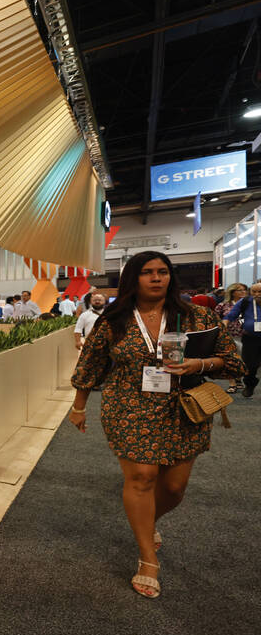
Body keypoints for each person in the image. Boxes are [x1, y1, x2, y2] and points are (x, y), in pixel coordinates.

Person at [69, 251, 244, 599]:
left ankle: (148, 522)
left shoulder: (197, 316)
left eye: (162, 272)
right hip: (128, 406)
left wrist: (198, 364)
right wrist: (79, 407)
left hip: (183, 408)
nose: (156, 278)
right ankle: (148, 558)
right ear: (133, 278)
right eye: (147, 272)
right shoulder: (113, 321)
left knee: (175, 488)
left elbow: (232, 362)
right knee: (142, 477)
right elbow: (90, 365)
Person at [224, 281, 261, 398]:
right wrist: (224, 324)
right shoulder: (245, 302)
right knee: (249, 366)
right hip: (250, 338)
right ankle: (250, 384)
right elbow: (230, 315)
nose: (257, 294)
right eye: (254, 292)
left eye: (260, 292)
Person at [217, 283, 247, 394]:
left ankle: (238, 379)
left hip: (245, 335)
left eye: (244, 290)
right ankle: (232, 383)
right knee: (230, 359)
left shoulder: (248, 304)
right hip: (229, 335)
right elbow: (216, 319)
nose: (243, 292)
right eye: (240, 290)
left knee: (242, 359)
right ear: (233, 292)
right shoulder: (223, 305)